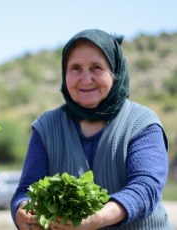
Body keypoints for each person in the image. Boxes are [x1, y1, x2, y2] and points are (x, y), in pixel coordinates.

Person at [11, 29, 172, 229]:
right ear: (65, 73)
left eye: (97, 68)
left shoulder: (141, 123)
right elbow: (26, 189)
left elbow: (145, 188)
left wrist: (98, 218)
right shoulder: (46, 126)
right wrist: (23, 210)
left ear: (115, 72)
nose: (86, 79)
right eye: (75, 68)